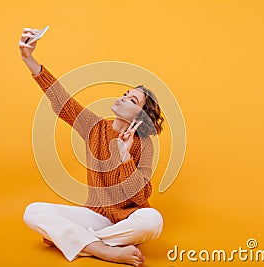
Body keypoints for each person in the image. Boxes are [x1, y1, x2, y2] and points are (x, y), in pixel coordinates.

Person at [19, 28, 165, 267]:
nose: (124, 97)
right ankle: (106, 251)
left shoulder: (144, 145)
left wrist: (125, 156)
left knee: (153, 220)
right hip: (94, 216)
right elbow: (61, 101)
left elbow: (141, 197)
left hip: (126, 220)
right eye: (126, 93)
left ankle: (77, 241)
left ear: (141, 114)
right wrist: (29, 59)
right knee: (33, 211)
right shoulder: (94, 127)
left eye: (133, 100)